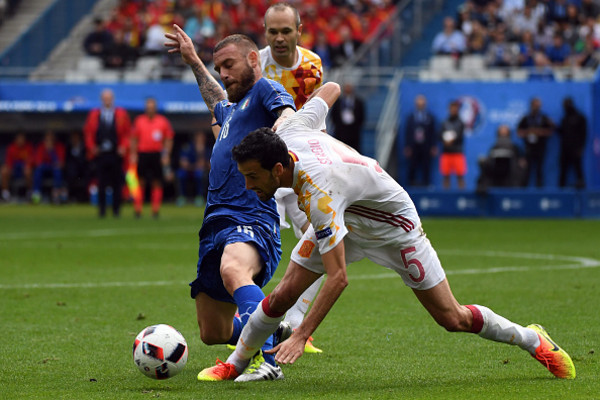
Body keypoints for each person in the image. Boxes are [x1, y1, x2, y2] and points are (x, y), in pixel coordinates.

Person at [221, 82, 576, 382]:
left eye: (253, 177)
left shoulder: (319, 195)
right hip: (350, 213)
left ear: (279, 168)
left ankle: (533, 339)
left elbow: (339, 277)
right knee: (283, 294)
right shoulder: (288, 131)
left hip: (393, 227)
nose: (249, 185)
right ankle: (233, 365)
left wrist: (301, 336)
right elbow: (331, 88)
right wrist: (306, 126)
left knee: (452, 318)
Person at [165, 25, 296, 381]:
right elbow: (215, 100)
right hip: (215, 223)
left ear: (253, 59)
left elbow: (286, 112)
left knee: (233, 271)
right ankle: (269, 329)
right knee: (214, 332)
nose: (223, 73)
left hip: (251, 215)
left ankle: (265, 361)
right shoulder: (233, 112)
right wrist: (193, 61)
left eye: (229, 64)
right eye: (218, 66)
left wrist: (277, 135)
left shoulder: (264, 90)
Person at [259, 2, 325, 354]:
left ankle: (297, 325)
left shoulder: (312, 65)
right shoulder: (254, 65)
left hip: (300, 170)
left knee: (320, 243)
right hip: (264, 174)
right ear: (264, 32)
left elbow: (317, 121)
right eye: (273, 31)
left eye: (286, 31)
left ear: (299, 30)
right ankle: (255, 327)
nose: (279, 38)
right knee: (257, 249)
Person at [83, 88, 131, 218]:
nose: (107, 100)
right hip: (101, 154)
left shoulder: (121, 114)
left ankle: (116, 210)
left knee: (117, 183)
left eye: (109, 98)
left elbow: (127, 133)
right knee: (101, 183)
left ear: (113, 99)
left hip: (116, 154)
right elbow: (88, 133)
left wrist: (123, 147)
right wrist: (92, 147)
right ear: (102, 100)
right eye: (105, 98)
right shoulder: (94, 114)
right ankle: (102, 210)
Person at [130, 97, 174, 218]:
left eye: (152, 107)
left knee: (157, 182)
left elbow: (168, 139)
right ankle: (138, 209)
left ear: (155, 108)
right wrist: (133, 154)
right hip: (143, 153)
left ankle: (155, 210)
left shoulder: (162, 121)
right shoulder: (139, 121)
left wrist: (166, 155)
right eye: (148, 107)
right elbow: (134, 139)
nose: (150, 109)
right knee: (140, 182)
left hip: (156, 154)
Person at [517, 97, 554, 187]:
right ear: (531, 105)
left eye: (538, 106)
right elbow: (519, 132)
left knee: (539, 169)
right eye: (535, 105)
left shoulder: (544, 118)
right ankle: (523, 190)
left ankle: (539, 190)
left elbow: (551, 131)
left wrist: (540, 132)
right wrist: (529, 132)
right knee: (526, 169)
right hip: (529, 148)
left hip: (540, 147)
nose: (536, 107)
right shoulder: (526, 118)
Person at [476, 124, 526, 192]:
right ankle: (483, 189)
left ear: (508, 134)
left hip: (511, 172)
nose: (503, 135)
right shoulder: (494, 147)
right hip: (495, 172)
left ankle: (516, 191)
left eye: (505, 133)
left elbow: (520, 159)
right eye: (501, 133)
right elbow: (489, 159)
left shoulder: (514, 147)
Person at [403, 94, 437, 187]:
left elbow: (433, 132)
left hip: (426, 145)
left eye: (422, 102)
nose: (420, 104)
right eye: (419, 102)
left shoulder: (430, 117)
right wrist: (407, 146)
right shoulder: (411, 117)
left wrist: (433, 146)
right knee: (412, 165)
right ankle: (411, 183)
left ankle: (426, 184)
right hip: (414, 145)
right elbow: (408, 132)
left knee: (426, 165)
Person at [176, 130, 211, 207]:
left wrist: (203, 163)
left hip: (200, 171)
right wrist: (194, 166)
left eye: (202, 137)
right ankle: (182, 197)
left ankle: (199, 197)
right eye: (198, 137)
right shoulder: (187, 147)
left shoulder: (207, 149)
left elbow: (210, 164)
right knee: (180, 174)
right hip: (188, 170)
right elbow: (183, 163)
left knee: (200, 174)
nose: (200, 139)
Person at [558, 97, 587, 189]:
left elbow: (583, 134)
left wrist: (581, 147)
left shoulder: (580, 117)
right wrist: (554, 127)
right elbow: (562, 132)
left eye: (566, 105)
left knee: (578, 169)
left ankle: (582, 191)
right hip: (565, 149)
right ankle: (561, 191)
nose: (565, 107)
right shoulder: (564, 118)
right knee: (563, 171)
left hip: (575, 149)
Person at [31, 131, 66, 204]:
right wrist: (46, 151)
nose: (49, 141)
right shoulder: (41, 147)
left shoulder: (59, 146)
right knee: (38, 171)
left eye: (51, 139)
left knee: (57, 171)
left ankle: (56, 194)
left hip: (54, 169)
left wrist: (51, 151)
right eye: (47, 139)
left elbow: (60, 163)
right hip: (44, 169)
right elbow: (38, 163)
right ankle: (36, 193)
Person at [329, 82, 365, 153]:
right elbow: (333, 115)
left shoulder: (358, 102)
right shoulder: (338, 102)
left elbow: (361, 116)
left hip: (354, 132)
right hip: (341, 131)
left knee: (354, 151)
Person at [439, 100, 466, 189]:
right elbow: (440, 135)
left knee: (460, 176)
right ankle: (446, 198)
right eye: (452, 108)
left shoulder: (461, 123)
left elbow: (460, 136)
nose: (453, 110)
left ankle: (463, 197)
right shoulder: (444, 122)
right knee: (446, 176)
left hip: (457, 152)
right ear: (449, 109)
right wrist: (445, 141)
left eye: (455, 108)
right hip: (446, 153)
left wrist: (451, 140)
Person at [1, 131, 33, 202]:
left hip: (23, 168)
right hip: (14, 169)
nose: (21, 141)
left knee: (28, 171)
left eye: (22, 139)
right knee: (4, 170)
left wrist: (27, 166)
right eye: (19, 139)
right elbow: (8, 162)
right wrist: (9, 168)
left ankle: (29, 193)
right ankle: (5, 194)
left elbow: (31, 160)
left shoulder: (28, 147)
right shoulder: (11, 148)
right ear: (16, 139)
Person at [64, 130, 89, 203]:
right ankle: (71, 196)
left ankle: (84, 197)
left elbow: (86, 159)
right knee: (70, 173)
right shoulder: (69, 147)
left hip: (83, 169)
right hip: (73, 171)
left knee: (87, 175)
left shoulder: (84, 147)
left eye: (76, 137)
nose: (74, 139)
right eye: (73, 138)